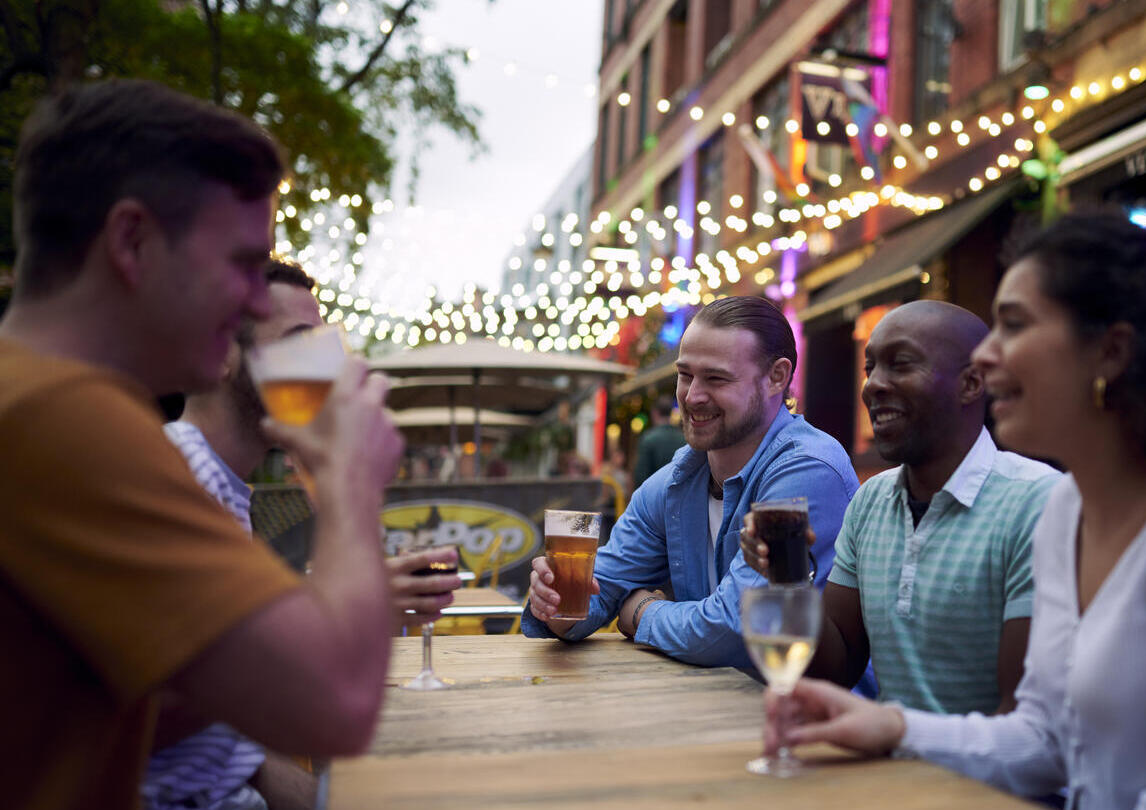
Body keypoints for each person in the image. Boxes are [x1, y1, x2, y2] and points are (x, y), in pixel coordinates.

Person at [766, 214, 1146, 808]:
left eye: (1014, 326)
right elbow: (1046, 742)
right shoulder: (1071, 509)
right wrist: (895, 728)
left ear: (1110, 351)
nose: (988, 357)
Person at [0, 79, 404, 808]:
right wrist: (347, 476)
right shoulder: (65, 421)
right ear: (132, 242)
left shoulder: (38, 400)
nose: (255, 302)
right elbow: (335, 704)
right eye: (242, 264)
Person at [143, 259, 460, 810]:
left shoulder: (218, 484)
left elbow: (232, 721)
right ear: (221, 354)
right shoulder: (179, 476)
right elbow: (149, 709)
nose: (325, 365)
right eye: (297, 342)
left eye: (322, 341)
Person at [744, 301, 1056, 715]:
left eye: (901, 364)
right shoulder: (871, 502)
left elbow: (1025, 720)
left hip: (986, 779)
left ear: (971, 383)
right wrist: (787, 574)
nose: (873, 385)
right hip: (887, 767)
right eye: (870, 368)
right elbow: (835, 669)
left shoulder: (1037, 502)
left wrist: (896, 736)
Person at [522, 296, 859, 666]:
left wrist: (642, 612)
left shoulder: (806, 470)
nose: (692, 396)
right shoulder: (673, 483)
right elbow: (597, 594)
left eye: (716, 378)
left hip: (813, 714)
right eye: (685, 375)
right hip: (718, 707)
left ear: (776, 377)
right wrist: (554, 605)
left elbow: (733, 632)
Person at [632, 395, 686, 487]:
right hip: (680, 495)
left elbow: (640, 476)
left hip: (653, 495)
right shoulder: (683, 438)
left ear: (655, 413)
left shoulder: (648, 439)